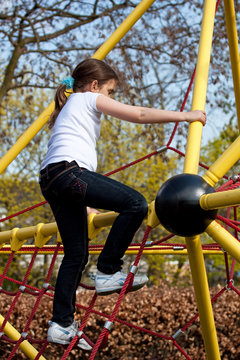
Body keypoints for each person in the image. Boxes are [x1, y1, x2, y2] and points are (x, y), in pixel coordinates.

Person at [39, 58, 206, 350]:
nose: (110, 98)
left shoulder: (70, 107)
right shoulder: (88, 98)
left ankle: (61, 324)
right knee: (135, 203)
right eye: (110, 91)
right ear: (94, 86)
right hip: (70, 173)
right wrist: (185, 115)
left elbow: (65, 156)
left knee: (76, 255)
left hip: (53, 180)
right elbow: (139, 114)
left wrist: (86, 201)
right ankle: (108, 269)